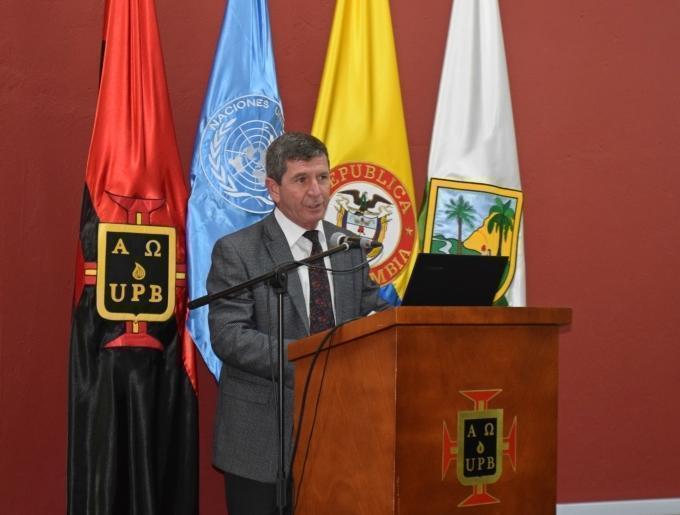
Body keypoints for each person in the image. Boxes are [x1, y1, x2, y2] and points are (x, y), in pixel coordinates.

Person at [206, 132, 388, 515]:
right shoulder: (238, 251)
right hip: (262, 438)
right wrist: (311, 359)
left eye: (323, 177)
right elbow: (230, 337)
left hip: (341, 434)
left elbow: (371, 312)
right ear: (273, 188)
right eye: (301, 179)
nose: (316, 191)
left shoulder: (348, 245)